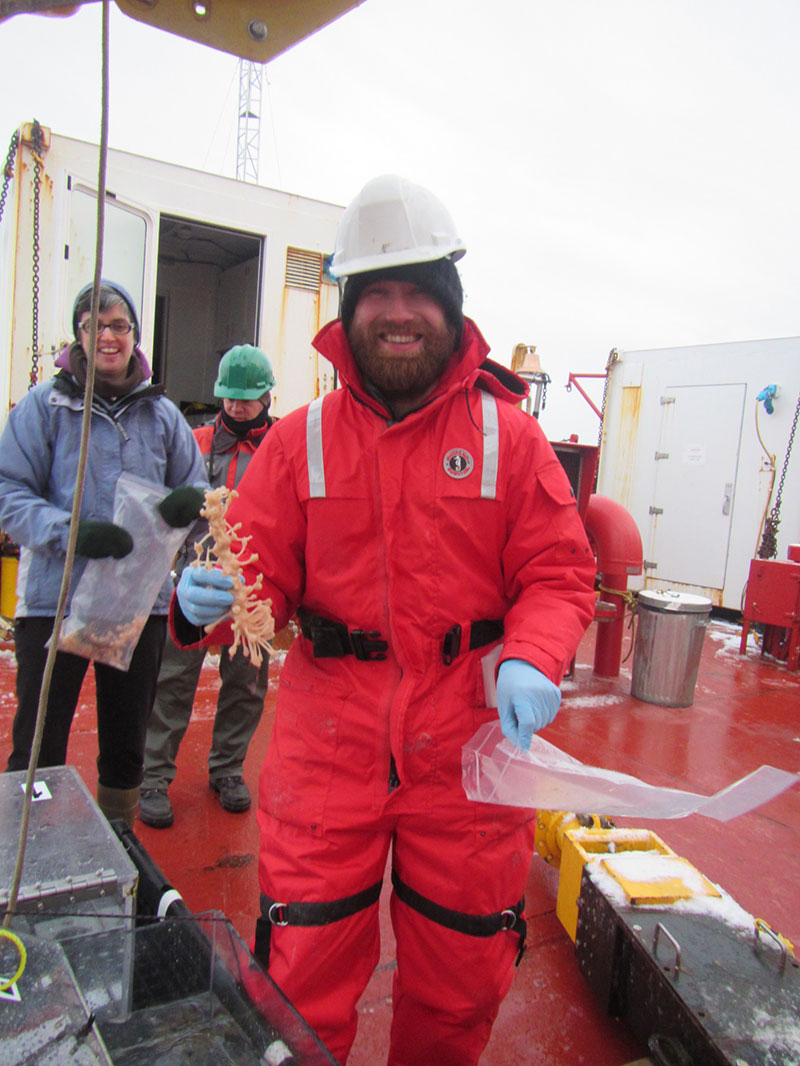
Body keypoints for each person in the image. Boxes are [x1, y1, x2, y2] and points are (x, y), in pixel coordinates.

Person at [172, 176, 596, 1066]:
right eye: (379, 294)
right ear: (350, 310)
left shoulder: (510, 440)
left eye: (417, 293)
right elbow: (253, 583)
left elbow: (559, 572)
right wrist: (203, 602)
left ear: (448, 307)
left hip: (472, 749)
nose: (398, 315)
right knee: (302, 970)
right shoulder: (301, 442)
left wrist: (534, 656)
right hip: (331, 747)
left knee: (461, 972)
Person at [0, 280, 207, 827]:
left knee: (125, 741)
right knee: (39, 740)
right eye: (95, 325)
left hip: (137, 605)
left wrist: (185, 510)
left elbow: (198, 492)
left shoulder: (163, 416)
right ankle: (29, 847)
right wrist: (72, 534)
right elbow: (8, 494)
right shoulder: (46, 407)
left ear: (136, 336)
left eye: (120, 325)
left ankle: (119, 837)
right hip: (55, 599)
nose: (109, 336)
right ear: (80, 335)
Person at [138, 345, 277, 828]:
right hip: (193, 581)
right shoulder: (192, 443)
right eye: (231, 399)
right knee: (172, 679)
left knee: (247, 680)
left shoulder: (281, 450)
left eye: (248, 399)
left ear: (267, 396)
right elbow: (160, 505)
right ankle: (152, 776)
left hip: (254, 586)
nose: (238, 408)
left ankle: (228, 769)